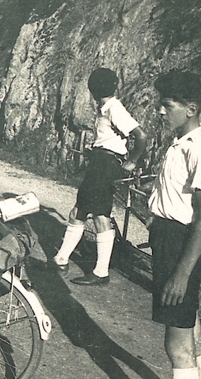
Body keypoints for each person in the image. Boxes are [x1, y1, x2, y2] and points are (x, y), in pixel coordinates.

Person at [148, 71, 201, 379]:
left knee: (177, 345)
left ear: (191, 109)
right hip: (168, 239)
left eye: (167, 105)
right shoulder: (180, 142)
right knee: (191, 330)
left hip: (183, 246)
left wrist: (181, 273)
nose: (160, 111)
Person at [50, 67, 147, 285]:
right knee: (79, 210)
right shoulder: (105, 107)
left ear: (92, 89)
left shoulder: (114, 108)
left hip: (106, 164)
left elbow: (140, 136)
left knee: (100, 214)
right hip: (99, 161)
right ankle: (61, 259)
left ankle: (101, 271)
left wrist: (132, 161)